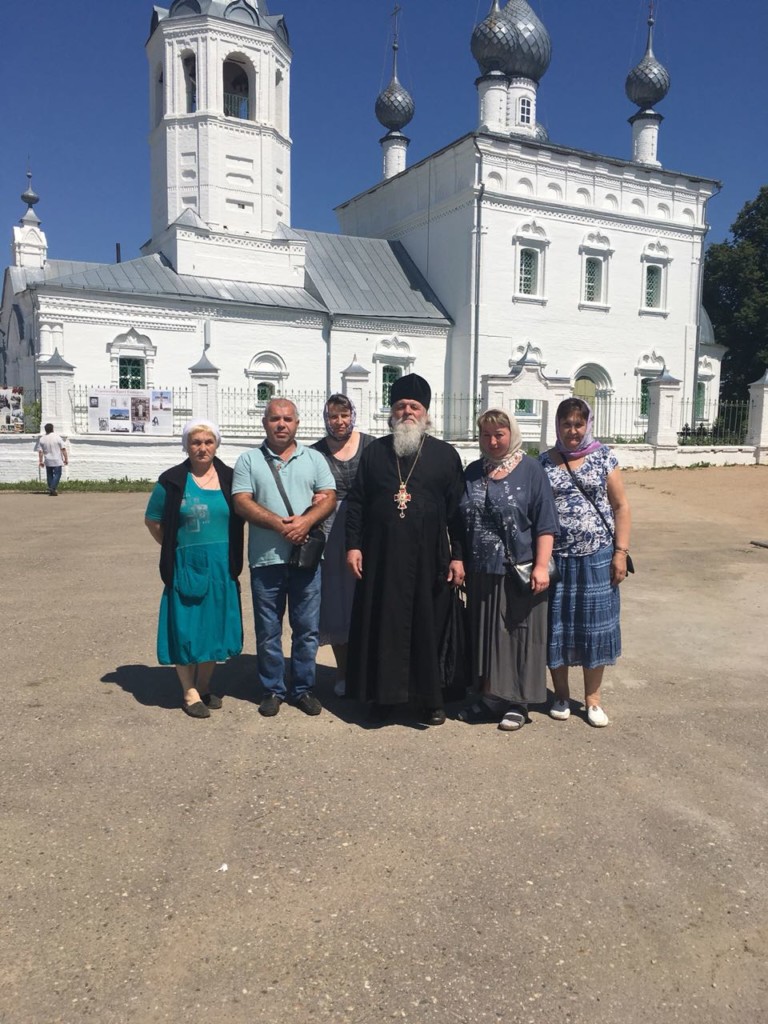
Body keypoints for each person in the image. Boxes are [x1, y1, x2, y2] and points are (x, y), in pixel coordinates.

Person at [345, 373, 465, 726]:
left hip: (431, 560)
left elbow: (459, 511)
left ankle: (431, 699)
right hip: (381, 559)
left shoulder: (445, 455)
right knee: (383, 625)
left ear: (426, 413)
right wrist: (353, 546)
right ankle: (384, 699)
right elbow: (356, 504)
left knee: (429, 626)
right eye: (400, 406)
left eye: (414, 406)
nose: (407, 412)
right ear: (391, 412)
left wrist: (459, 554)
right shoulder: (375, 453)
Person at [232, 398, 336, 718]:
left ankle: (303, 689)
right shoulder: (248, 460)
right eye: (275, 418)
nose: (281, 424)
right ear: (264, 423)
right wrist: (281, 525)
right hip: (266, 559)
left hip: (306, 559)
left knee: (306, 628)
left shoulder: (315, 458)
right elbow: (241, 502)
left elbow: (330, 496)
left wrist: (305, 522)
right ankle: (273, 689)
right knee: (268, 629)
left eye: (288, 419)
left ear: (297, 423)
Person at [458, 409, 559, 730]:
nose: (492, 441)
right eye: (486, 434)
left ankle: (518, 702)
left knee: (519, 635)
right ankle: (490, 698)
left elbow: (546, 523)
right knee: (487, 636)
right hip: (481, 570)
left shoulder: (531, 470)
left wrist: (542, 566)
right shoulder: (474, 471)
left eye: (499, 434)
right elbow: (460, 520)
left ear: (511, 434)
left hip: (521, 570)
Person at [540, 397, 632, 727]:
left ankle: (593, 700)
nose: (573, 431)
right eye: (567, 424)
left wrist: (620, 553)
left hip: (598, 558)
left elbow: (620, 507)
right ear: (558, 426)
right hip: (557, 560)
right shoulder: (545, 463)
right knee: (558, 628)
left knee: (596, 628)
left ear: (587, 425)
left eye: (579, 424)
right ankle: (561, 695)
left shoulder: (604, 458)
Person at [145, 419, 244, 718]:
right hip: (186, 563)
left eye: (208, 442)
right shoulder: (172, 480)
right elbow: (153, 520)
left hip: (221, 564)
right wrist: (173, 547)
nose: (202, 448)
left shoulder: (229, 477)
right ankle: (188, 692)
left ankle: (203, 685)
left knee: (214, 627)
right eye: (196, 442)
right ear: (186, 445)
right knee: (186, 627)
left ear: (217, 444)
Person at [311, 394, 375, 697]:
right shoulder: (314, 453)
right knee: (337, 603)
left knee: (367, 598)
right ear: (326, 418)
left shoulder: (372, 446)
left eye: (344, 415)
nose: (339, 422)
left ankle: (369, 670)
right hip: (329, 534)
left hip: (366, 531)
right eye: (333, 416)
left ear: (353, 415)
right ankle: (343, 670)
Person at [35, 423, 68, 496]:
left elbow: (40, 451)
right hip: (57, 459)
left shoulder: (42, 439)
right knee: (57, 474)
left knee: (49, 475)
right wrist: (66, 458)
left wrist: (40, 461)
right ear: (53, 429)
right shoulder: (57, 437)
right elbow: (63, 449)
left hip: (48, 460)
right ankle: (52, 488)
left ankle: (51, 489)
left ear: (45, 430)